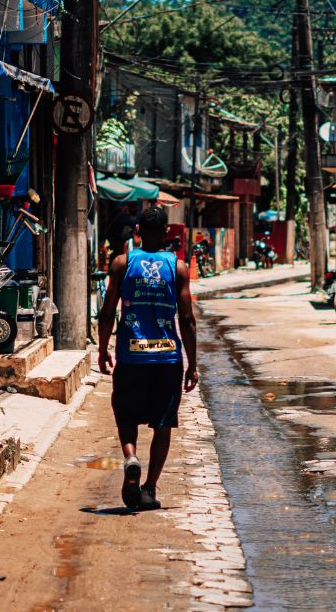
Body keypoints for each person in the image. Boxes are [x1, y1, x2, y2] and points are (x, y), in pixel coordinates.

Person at [97, 206, 198, 510]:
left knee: (125, 414)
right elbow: (188, 318)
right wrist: (192, 363)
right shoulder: (177, 268)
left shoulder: (121, 264)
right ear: (166, 233)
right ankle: (150, 488)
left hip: (131, 357)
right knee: (162, 423)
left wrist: (103, 349)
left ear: (137, 230)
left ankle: (130, 456)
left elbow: (107, 311)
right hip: (167, 359)